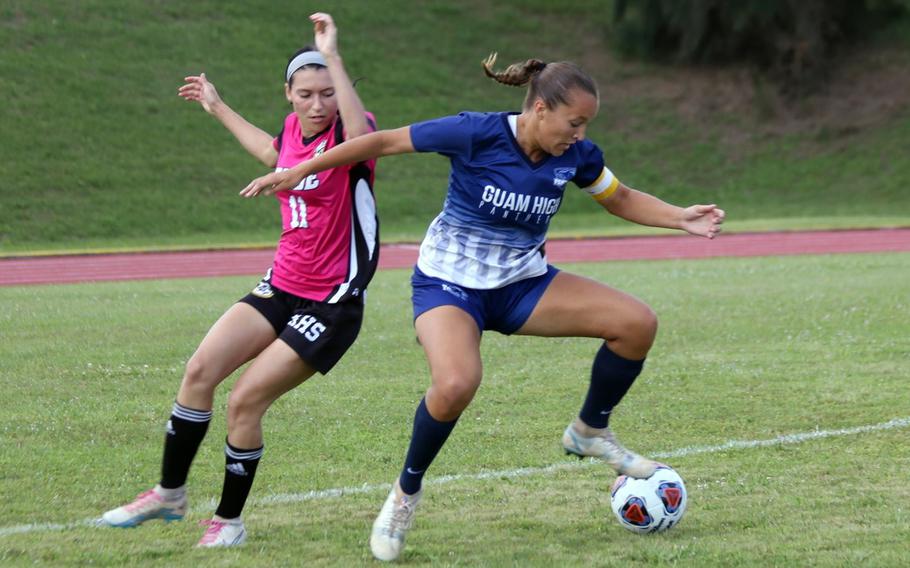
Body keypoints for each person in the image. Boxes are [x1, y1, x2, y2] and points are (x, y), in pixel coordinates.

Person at [241, 52, 725, 562]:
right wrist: (299, 169)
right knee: (455, 384)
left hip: (521, 287)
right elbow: (382, 141)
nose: (580, 134)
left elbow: (620, 197)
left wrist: (680, 218)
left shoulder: (576, 155)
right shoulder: (475, 132)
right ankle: (405, 494)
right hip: (449, 286)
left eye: (586, 125)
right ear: (540, 109)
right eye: (574, 122)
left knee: (635, 323)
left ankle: (589, 431)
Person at [101, 13, 379, 547]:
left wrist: (333, 54)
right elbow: (274, 152)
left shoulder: (352, 133)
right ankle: (169, 494)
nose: (317, 105)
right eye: (306, 94)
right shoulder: (297, 129)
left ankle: (228, 522)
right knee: (200, 370)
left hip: (331, 302)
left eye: (326, 93)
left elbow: (365, 136)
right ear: (289, 94)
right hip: (282, 284)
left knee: (245, 402)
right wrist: (217, 105)